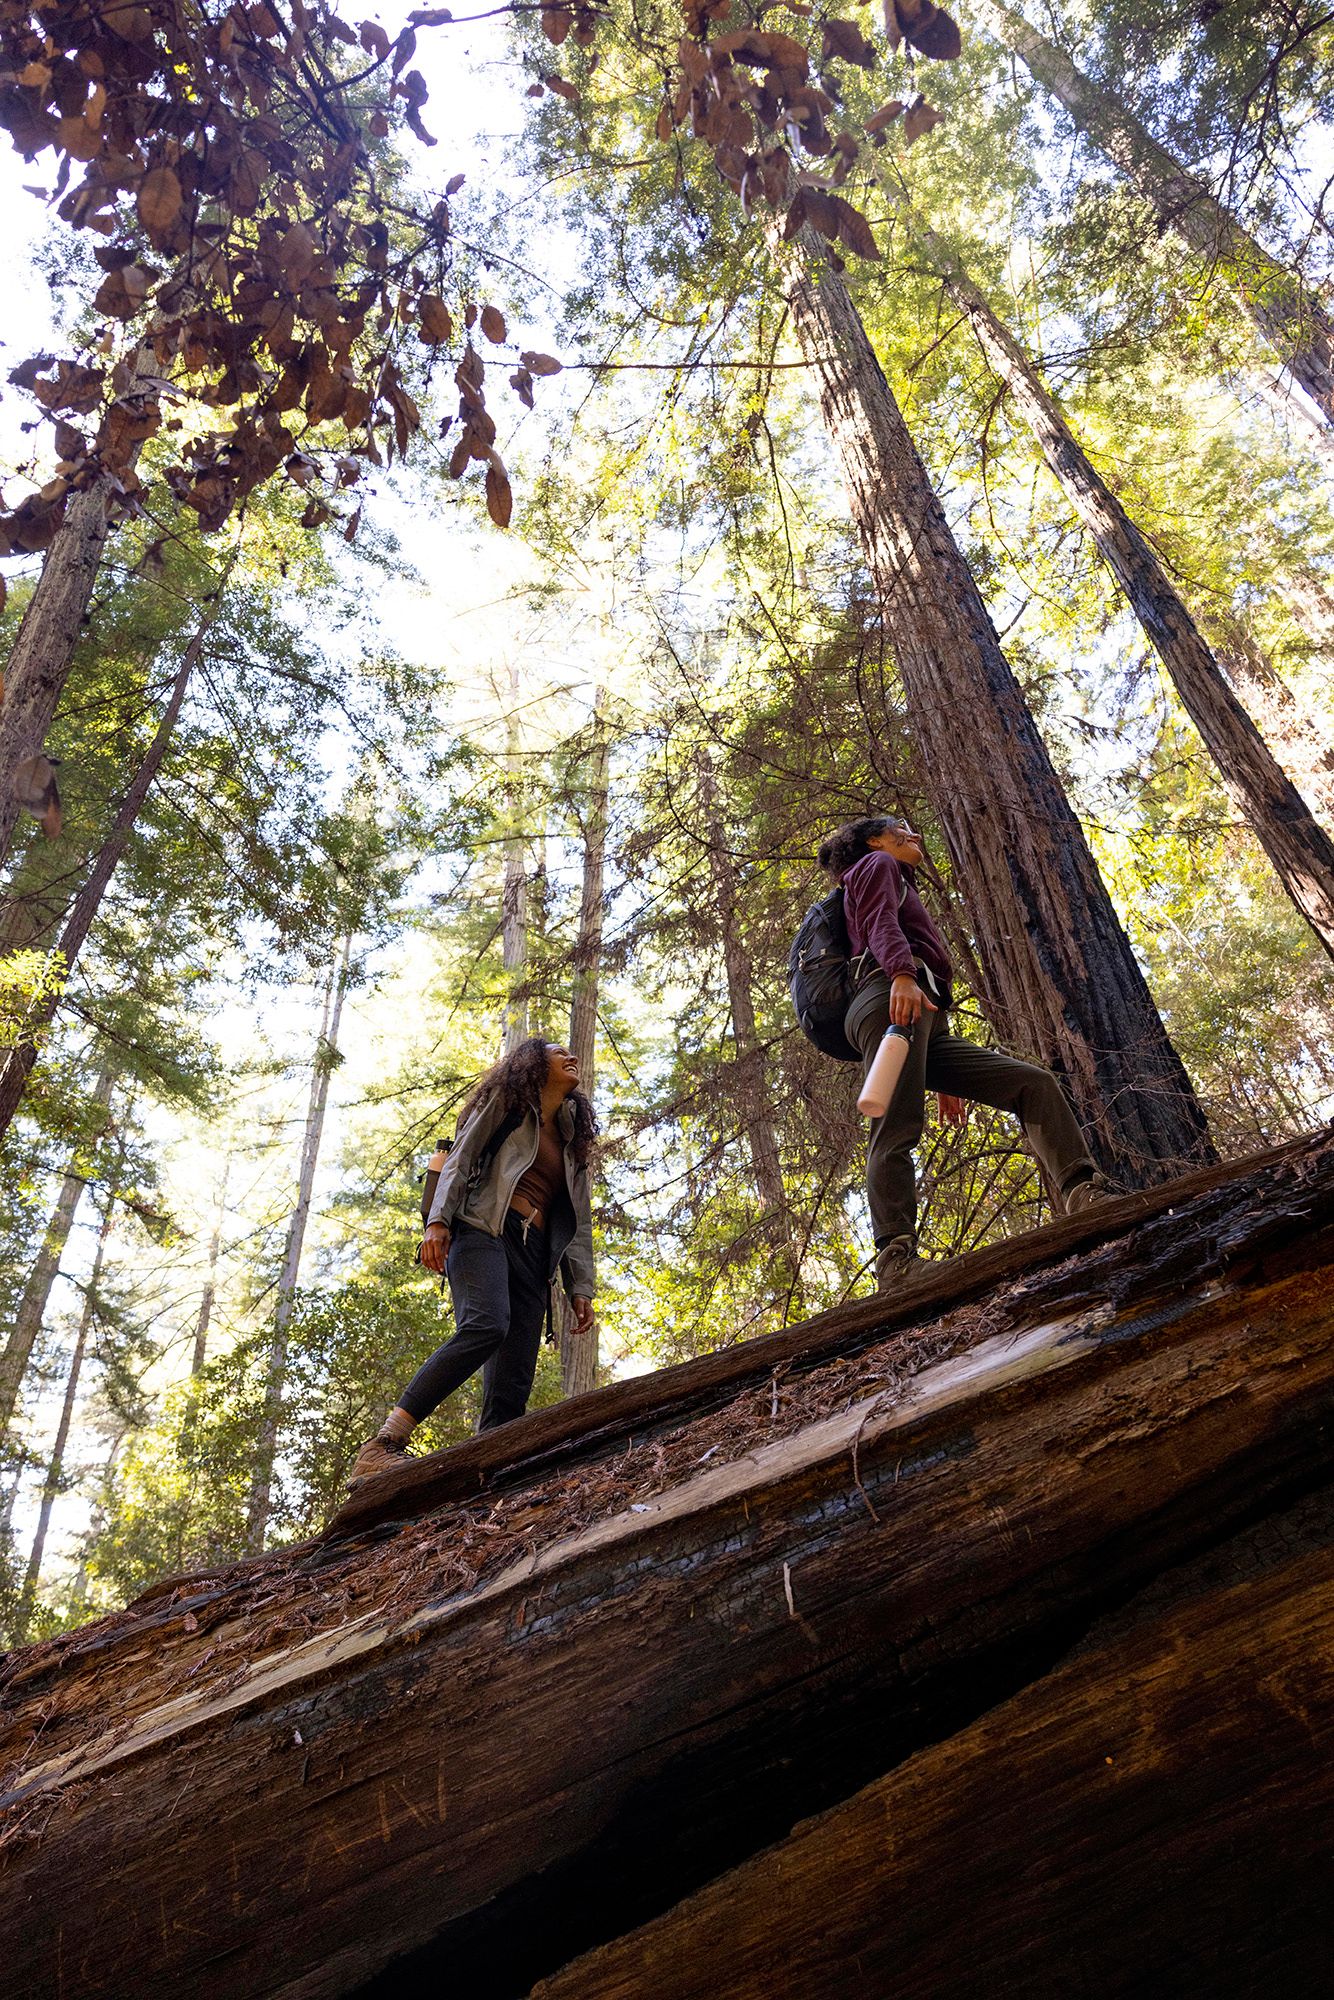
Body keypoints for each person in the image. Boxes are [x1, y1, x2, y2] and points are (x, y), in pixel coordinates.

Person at [818, 814, 1114, 1292]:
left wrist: (938, 1058)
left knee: (1033, 1084)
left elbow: (923, 966)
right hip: (888, 997)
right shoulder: (876, 864)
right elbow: (879, 923)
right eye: (900, 829)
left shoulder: (895, 875)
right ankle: (896, 1264)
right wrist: (901, 975)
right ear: (874, 840)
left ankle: (1084, 1194)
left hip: (919, 1014)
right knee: (895, 1126)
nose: (912, 836)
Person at [349, 1037, 597, 1487]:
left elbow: (578, 1218)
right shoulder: (508, 1101)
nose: (569, 1055)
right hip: (484, 1230)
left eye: (570, 1051)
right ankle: (383, 1445)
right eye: (557, 1050)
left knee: (514, 1381)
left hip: (535, 1257)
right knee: (486, 1325)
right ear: (534, 1063)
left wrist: (580, 1287)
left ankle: (491, 1479)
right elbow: (460, 1158)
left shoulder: (571, 1134)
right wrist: (437, 1222)